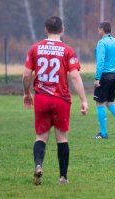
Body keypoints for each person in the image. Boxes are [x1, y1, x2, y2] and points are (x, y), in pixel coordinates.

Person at [22, 16, 88, 185]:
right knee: (62, 138)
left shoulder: (35, 49)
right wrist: (83, 99)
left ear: (45, 29)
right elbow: (74, 76)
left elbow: (26, 74)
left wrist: (26, 93)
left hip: (42, 98)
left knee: (41, 137)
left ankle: (38, 165)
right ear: (62, 29)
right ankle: (63, 177)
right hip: (61, 100)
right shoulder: (67, 51)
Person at [93, 21, 115, 139]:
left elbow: (100, 61)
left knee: (99, 103)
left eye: (98, 29)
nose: (98, 32)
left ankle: (103, 133)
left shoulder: (101, 43)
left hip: (105, 75)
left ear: (102, 29)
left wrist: (97, 78)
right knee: (110, 102)